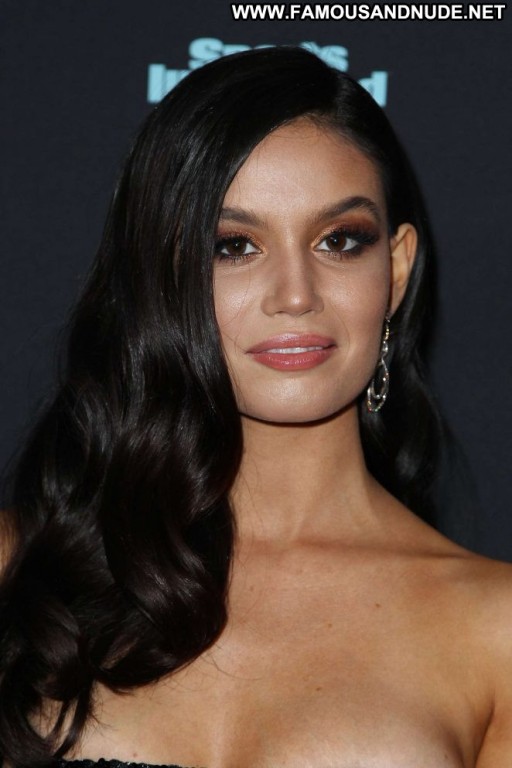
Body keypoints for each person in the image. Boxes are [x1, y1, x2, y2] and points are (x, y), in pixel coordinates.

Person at [1, 45, 512, 768]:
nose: (296, 294)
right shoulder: (20, 571)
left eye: (340, 240)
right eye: (234, 246)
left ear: (395, 271)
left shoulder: (496, 631)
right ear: (160, 273)